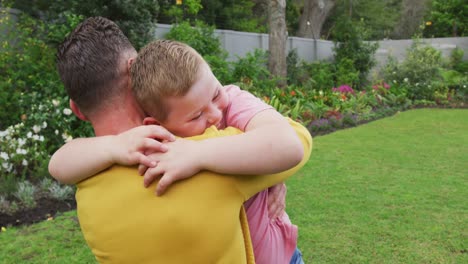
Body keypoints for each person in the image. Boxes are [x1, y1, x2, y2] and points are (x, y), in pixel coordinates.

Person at [50, 17, 311, 263]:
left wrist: (113, 147)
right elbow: (295, 141)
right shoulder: (190, 150)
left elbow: (58, 164)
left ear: (77, 110)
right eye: (197, 114)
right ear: (135, 68)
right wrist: (270, 175)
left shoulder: (87, 185)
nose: (213, 114)